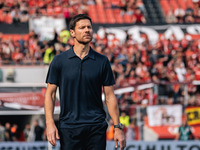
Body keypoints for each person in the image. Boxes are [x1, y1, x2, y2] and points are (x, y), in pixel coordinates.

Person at [45, 14, 126, 150]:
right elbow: (50, 94)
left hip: (96, 127)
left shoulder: (102, 61)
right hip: (69, 128)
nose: (87, 30)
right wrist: (50, 123)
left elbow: (110, 96)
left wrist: (117, 127)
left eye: (89, 27)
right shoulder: (59, 61)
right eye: (82, 27)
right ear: (72, 33)